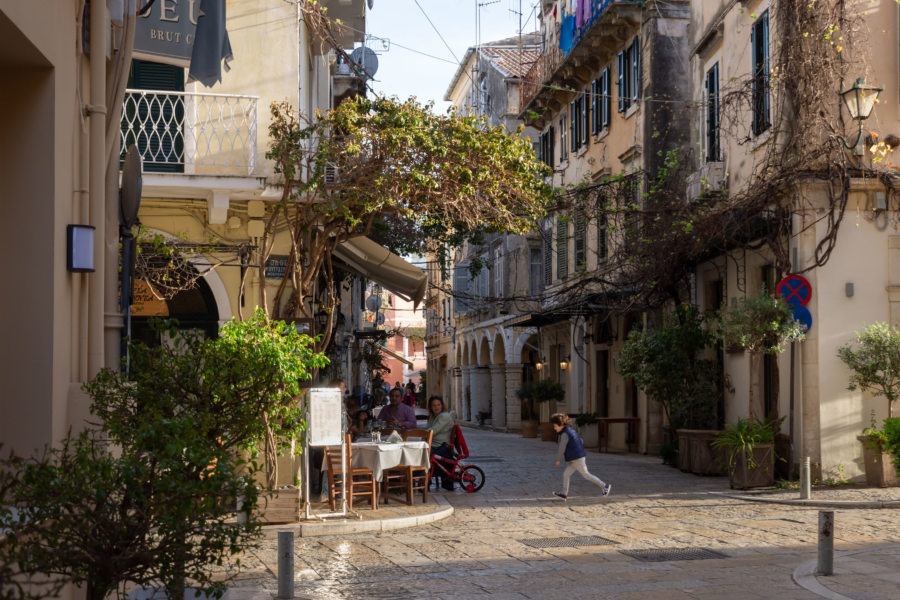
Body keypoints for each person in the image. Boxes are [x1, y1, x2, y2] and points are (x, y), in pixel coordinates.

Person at [550, 413, 611, 500]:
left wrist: (558, 459)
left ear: (561, 425)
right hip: (576, 457)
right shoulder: (571, 430)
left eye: (555, 426)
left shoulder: (564, 434)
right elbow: (580, 440)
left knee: (586, 475)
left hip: (577, 458)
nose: (554, 428)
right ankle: (564, 494)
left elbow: (561, 447)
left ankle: (605, 486)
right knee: (566, 474)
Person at [425, 395, 455, 490]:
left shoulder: (444, 416)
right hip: (434, 444)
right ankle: (424, 480)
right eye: (433, 405)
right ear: (430, 407)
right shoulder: (433, 417)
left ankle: (424, 481)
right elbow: (428, 431)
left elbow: (433, 431)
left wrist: (420, 434)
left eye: (438, 404)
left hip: (442, 447)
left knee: (421, 455)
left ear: (442, 405)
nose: (436, 407)